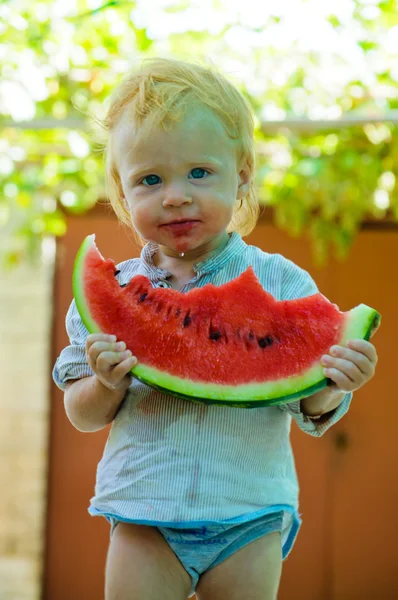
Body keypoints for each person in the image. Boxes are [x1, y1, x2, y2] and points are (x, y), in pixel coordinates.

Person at [53, 57, 379, 600]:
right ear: (122, 190)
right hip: (143, 511)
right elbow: (80, 413)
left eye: (199, 173)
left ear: (242, 173)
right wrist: (105, 384)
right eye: (149, 179)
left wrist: (335, 381)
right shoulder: (108, 297)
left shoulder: (280, 280)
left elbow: (308, 401)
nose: (175, 195)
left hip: (249, 514)